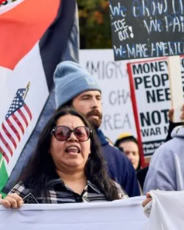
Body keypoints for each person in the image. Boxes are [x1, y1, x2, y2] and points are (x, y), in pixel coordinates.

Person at [0, 107, 124, 207]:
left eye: (80, 133)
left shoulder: (113, 192)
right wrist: (3, 208)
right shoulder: (26, 192)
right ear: (48, 146)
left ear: (90, 147)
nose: (73, 138)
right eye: (62, 133)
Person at [53, 61, 140, 197]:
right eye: (86, 98)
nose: (95, 104)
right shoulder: (47, 155)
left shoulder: (119, 160)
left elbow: (135, 208)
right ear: (67, 106)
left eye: (98, 98)